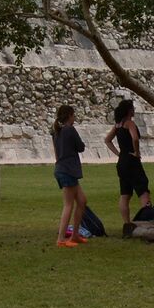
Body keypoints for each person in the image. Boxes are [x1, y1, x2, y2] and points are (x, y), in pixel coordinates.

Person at [103, 99, 152, 226]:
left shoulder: (118, 125)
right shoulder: (129, 123)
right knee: (143, 190)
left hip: (122, 161)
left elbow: (107, 140)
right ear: (129, 110)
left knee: (125, 194)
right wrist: (136, 152)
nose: (134, 110)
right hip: (132, 160)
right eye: (132, 108)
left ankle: (127, 223)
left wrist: (119, 153)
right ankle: (146, 221)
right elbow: (135, 138)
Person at [51, 104, 87, 248]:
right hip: (68, 170)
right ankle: (61, 238)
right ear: (69, 116)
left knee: (82, 201)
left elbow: (56, 151)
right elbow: (80, 147)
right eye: (73, 115)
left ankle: (75, 234)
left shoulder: (56, 132)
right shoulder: (69, 130)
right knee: (68, 204)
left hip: (62, 168)